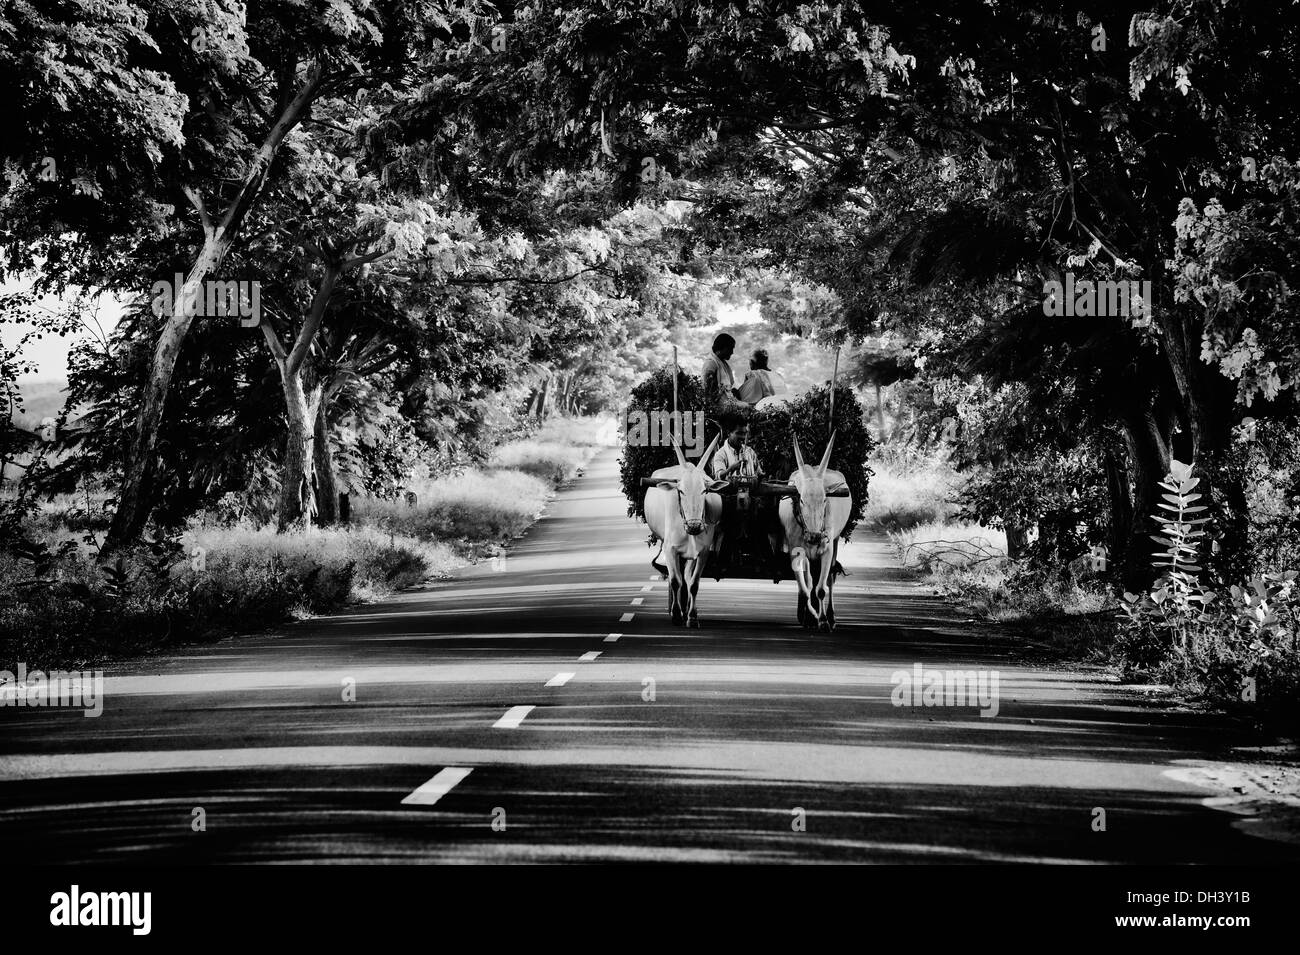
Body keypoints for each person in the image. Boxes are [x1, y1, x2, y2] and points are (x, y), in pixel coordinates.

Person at [701, 333, 737, 403]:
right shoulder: (711, 363)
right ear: (722, 347)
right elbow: (706, 390)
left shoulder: (722, 363)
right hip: (717, 406)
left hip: (725, 403)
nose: (732, 352)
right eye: (730, 348)